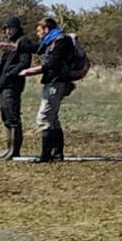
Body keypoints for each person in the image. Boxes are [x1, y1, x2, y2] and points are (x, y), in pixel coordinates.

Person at [29, 12, 85, 162]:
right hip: (55, 82)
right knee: (53, 118)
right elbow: (36, 48)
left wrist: (31, 71)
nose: (37, 33)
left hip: (56, 82)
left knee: (44, 118)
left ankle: (46, 155)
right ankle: (57, 153)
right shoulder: (52, 41)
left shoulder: (60, 41)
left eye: (39, 30)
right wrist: (13, 46)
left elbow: (52, 64)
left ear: (46, 29)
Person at [0, 15, 37, 160]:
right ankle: (8, 148)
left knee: (12, 115)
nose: (8, 31)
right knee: (5, 115)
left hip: (13, 84)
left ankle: (14, 150)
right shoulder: (9, 43)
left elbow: (24, 62)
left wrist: (11, 74)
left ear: (17, 28)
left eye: (10, 28)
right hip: (2, 84)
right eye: (6, 29)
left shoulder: (23, 42)